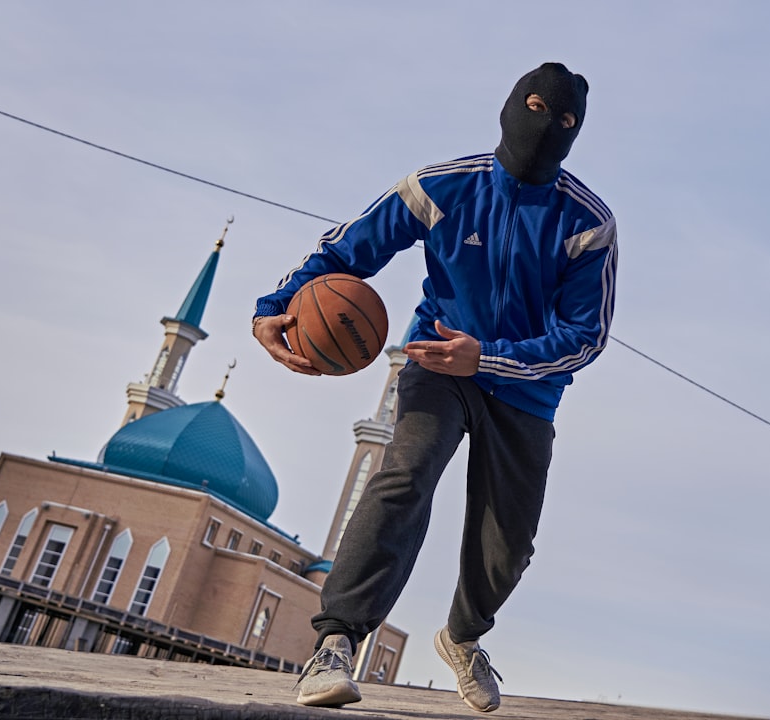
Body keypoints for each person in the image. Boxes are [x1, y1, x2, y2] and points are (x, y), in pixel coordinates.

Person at [251, 61, 617, 712]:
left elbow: (584, 337)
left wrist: (490, 358)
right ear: (510, 106)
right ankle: (335, 643)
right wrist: (274, 306)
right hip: (437, 362)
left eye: (565, 122)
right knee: (405, 473)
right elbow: (342, 253)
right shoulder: (442, 187)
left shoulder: (587, 222)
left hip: (524, 387)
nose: (547, 127)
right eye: (536, 107)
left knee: (508, 544)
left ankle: (464, 637)